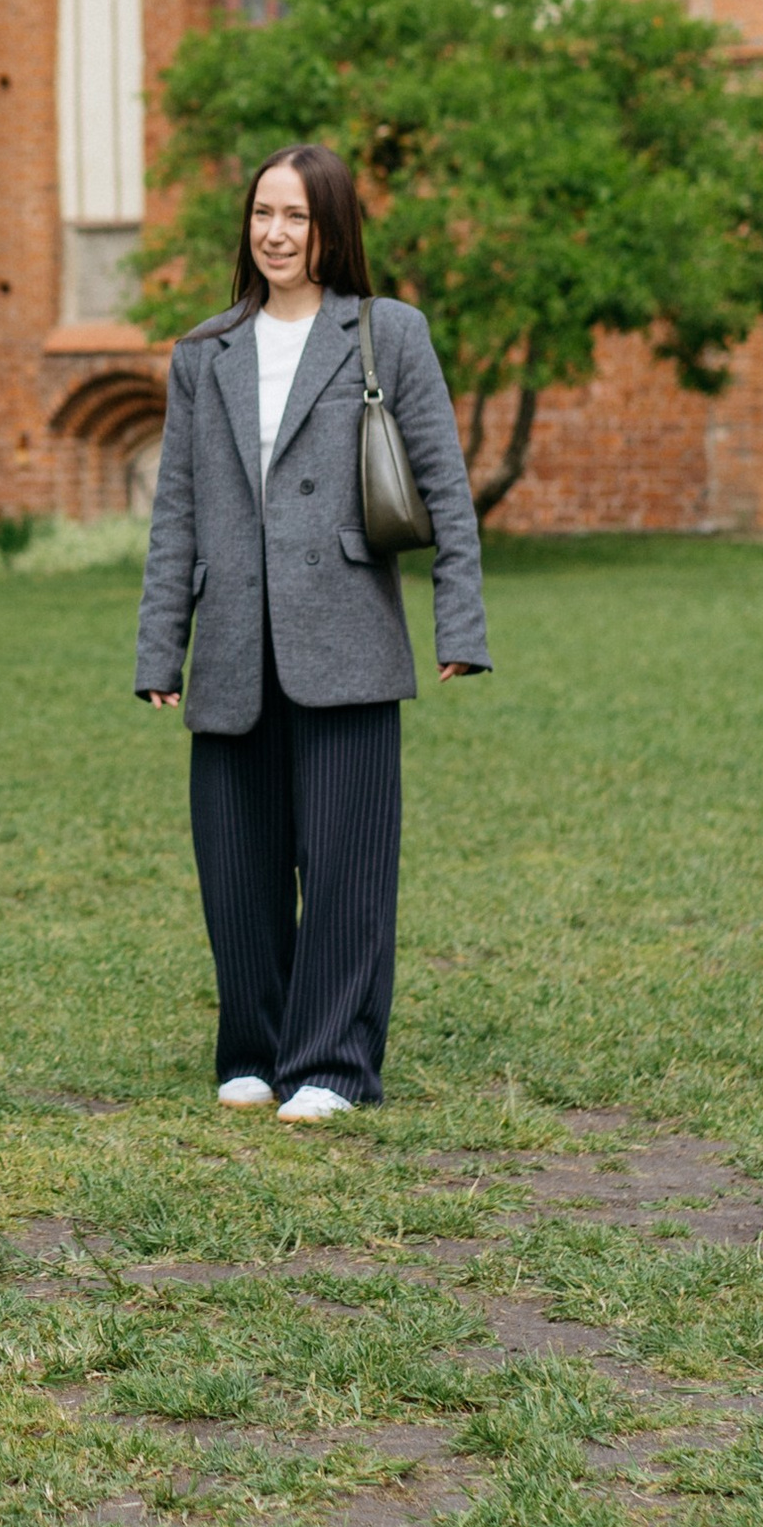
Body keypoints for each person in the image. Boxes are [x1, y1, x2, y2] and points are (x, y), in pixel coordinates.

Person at [132, 142, 490, 1124]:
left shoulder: (388, 333)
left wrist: (458, 619)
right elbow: (176, 512)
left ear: (331, 227)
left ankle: (331, 1062)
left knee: (343, 867)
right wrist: (160, 644)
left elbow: (445, 491)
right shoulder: (202, 353)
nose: (276, 234)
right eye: (261, 215)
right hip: (235, 651)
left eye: (295, 217)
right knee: (238, 863)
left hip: (349, 637)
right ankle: (252, 1048)